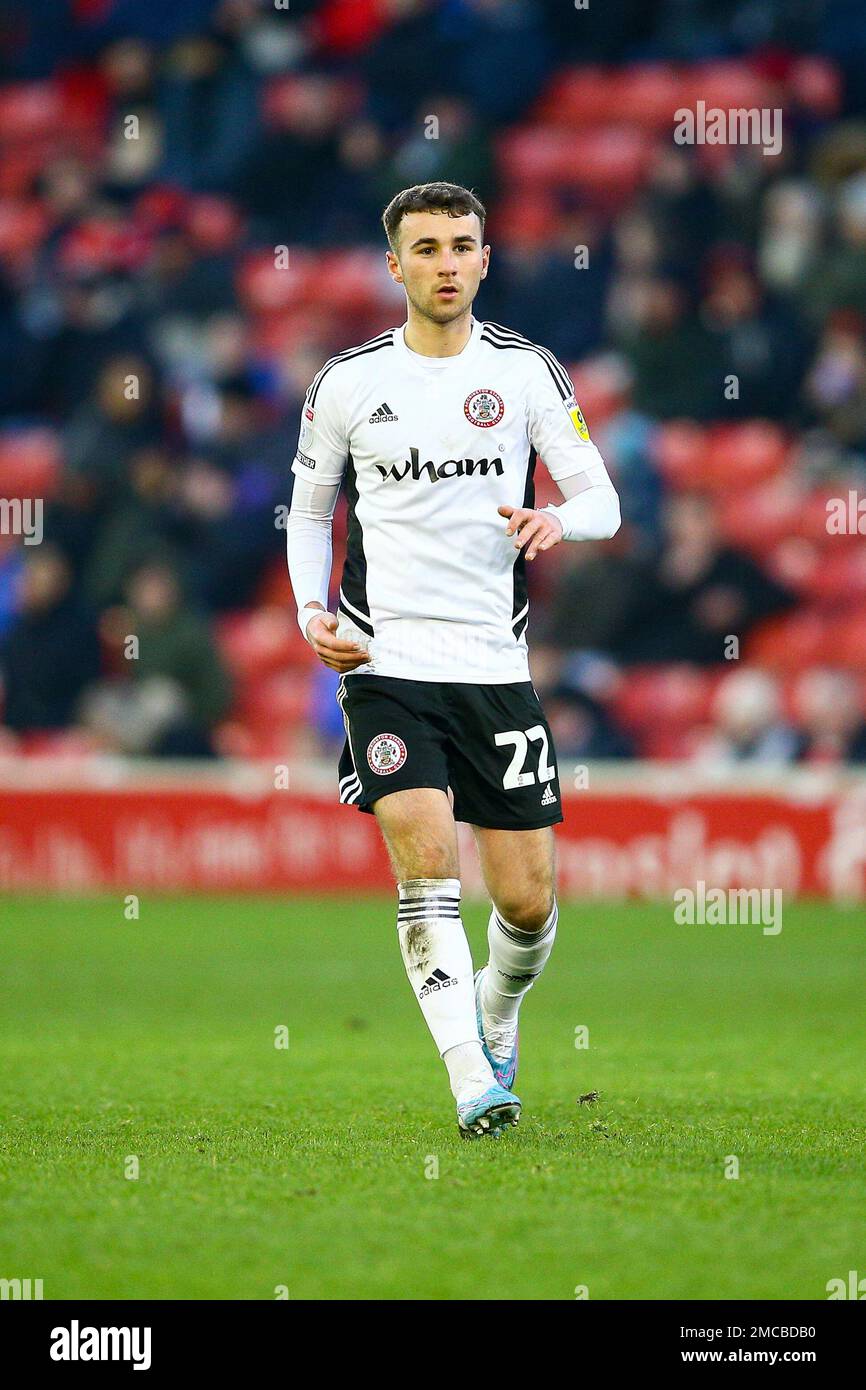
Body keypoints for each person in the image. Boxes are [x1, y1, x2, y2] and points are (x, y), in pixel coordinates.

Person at [286, 182, 620, 1137]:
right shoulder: (347, 382)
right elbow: (311, 517)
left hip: (492, 667)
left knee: (525, 898)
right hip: (383, 662)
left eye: (460, 246)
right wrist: (313, 612)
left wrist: (557, 516)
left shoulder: (527, 373)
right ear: (393, 264)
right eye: (424, 247)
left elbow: (603, 501)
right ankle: (472, 1077)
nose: (444, 262)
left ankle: (499, 1009)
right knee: (425, 861)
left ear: (483, 259)